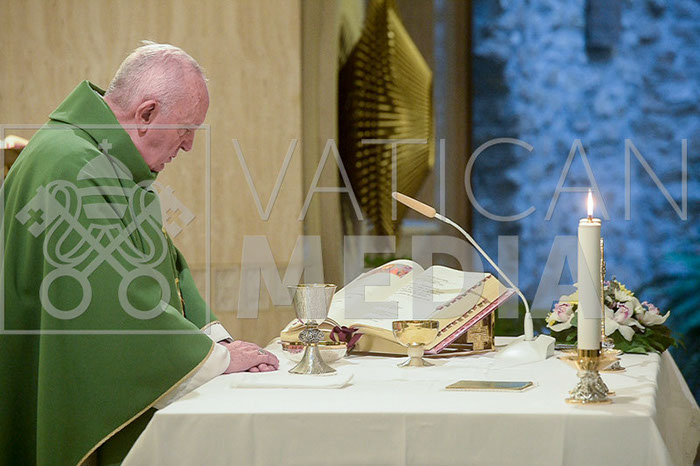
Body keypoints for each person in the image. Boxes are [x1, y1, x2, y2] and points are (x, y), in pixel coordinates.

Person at [0, 42, 278, 466]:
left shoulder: (97, 159)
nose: (188, 146)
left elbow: (160, 262)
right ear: (146, 114)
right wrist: (216, 358)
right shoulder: (71, 165)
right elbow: (112, 299)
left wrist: (216, 342)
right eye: (186, 129)